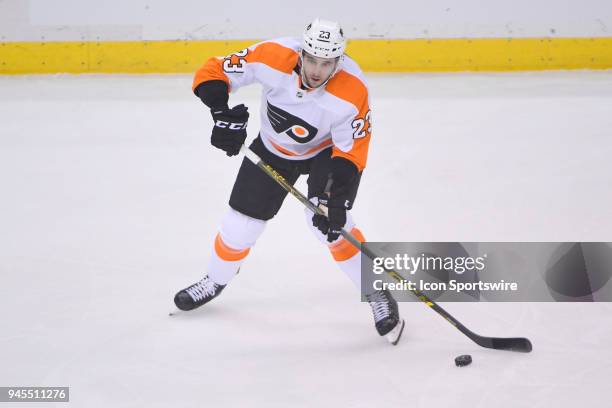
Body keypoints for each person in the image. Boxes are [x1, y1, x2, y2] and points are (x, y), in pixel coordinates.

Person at [173, 18, 404, 344]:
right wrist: (220, 111)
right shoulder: (274, 55)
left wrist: (334, 196)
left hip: (326, 156)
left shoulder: (353, 90)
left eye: (327, 63)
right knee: (240, 226)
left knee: (330, 226)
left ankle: (376, 290)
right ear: (302, 51)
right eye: (311, 59)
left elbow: (352, 152)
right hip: (272, 149)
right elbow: (214, 71)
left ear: (338, 61)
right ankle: (215, 280)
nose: (317, 70)